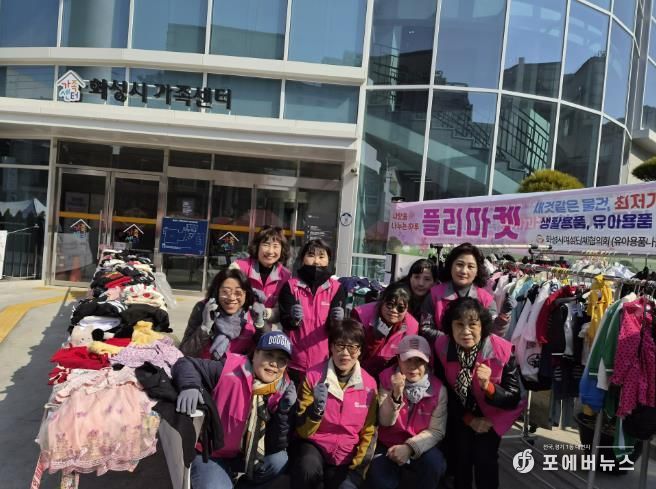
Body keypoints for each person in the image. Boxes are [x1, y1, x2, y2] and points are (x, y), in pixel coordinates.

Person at [173, 331, 297, 489]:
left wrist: (284, 412)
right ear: (255, 354)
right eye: (269, 355)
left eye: (281, 360)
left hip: (244, 456)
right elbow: (185, 363)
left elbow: (274, 445)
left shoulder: (283, 390)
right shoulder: (229, 368)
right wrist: (190, 385)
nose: (274, 363)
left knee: (279, 460)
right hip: (211, 454)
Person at [434, 297, 524, 489]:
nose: (466, 331)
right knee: (461, 458)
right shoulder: (442, 346)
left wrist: (488, 386)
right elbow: (444, 391)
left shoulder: (501, 351)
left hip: (494, 414)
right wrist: (469, 419)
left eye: (472, 324)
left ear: (482, 326)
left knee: (485, 459)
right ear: (450, 327)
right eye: (459, 324)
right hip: (461, 413)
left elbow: (513, 397)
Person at [292, 319, 378, 489]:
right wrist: (315, 411)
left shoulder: (370, 385)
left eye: (352, 347)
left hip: (346, 455)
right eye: (339, 345)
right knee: (306, 468)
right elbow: (302, 431)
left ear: (360, 350)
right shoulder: (313, 377)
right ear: (331, 347)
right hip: (315, 446)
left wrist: (357, 472)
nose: (345, 353)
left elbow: (369, 432)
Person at [368, 335, 447, 489]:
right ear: (398, 359)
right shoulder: (386, 379)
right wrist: (396, 394)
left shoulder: (439, 390)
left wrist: (410, 448)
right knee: (381, 482)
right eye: (408, 360)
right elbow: (385, 421)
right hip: (387, 444)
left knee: (435, 464)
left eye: (419, 361)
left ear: (427, 361)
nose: (413, 366)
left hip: (419, 445)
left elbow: (436, 431)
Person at [279, 239, 346, 380]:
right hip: (292, 363)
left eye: (321, 257)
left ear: (328, 260)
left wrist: (338, 321)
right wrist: (293, 319)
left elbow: (337, 331)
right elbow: (285, 322)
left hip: (323, 365)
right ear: (302, 259)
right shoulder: (290, 286)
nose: (316, 261)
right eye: (311, 255)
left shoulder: (337, 288)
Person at [420, 243, 508, 341]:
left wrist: (501, 322)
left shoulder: (486, 300)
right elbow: (425, 328)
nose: (464, 271)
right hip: (440, 349)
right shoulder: (434, 295)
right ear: (451, 266)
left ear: (477, 271)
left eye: (470, 266)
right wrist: (451, 341)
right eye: (459, 264)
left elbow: (493, 332)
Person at [180, 269, 266, 359]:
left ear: (246, 294)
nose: (231, 298)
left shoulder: (253, 311)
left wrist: (260, 324)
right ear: (216, 292)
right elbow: (184, 353)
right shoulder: (204, 309)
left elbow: (267, 352)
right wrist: (205, 328)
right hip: (204, 366)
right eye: (225, 292)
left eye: (238, 293)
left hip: (239, 367)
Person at [351, 283, 419, 378]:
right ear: (382, 301)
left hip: (388, 376)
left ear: (407, 309)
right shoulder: (361, 315)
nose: (394, 310)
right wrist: (374, 339)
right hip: (357, 370)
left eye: (400, 308)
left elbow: (406, 361)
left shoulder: (412, 326)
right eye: (390, 304)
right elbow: (351, 353)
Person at [230, 225, 292, 328]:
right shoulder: (238, 267)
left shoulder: (286, 276)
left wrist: (265, 313)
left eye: (275, 246)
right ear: (257, 246)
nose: (270, 251)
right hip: (236, 327)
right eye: (266, 245)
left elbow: (281, 310)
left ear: (282, 250)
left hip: (264, 330)